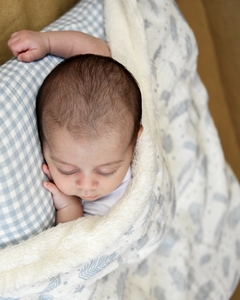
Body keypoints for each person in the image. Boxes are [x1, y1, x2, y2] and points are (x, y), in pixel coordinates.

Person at [8, 30, 143, 224]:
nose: (87, 186)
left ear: (135, 137)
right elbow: (73, 242)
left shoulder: (123, 115)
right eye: (67, 170)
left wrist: (48, 41)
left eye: (106, 171)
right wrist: (70, 206)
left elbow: (95, 51)